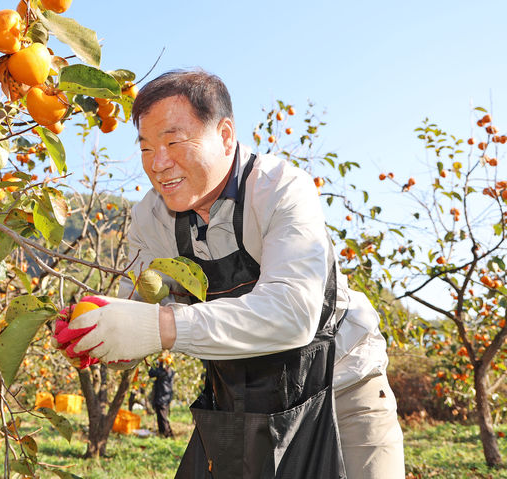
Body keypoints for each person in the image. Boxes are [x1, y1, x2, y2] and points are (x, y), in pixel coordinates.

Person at [59, 69, 405, 478]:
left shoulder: (280, 189)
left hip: (341, 386)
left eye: (172, 141)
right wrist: (99, 334)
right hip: (242, 405)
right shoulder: (150, 219)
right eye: (147, 147)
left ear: (225, 135)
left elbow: (291, 315)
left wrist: (161, 327)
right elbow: (135, 316)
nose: (158, 163)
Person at [149, 353, 175, 438]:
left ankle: (167, 435)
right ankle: (165, 434)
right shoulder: (168, 370)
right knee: (162, 416)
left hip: (162, 397)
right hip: (164, 396)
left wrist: (154, 363)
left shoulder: (164, 370)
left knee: (162, 417)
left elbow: (151, 373)